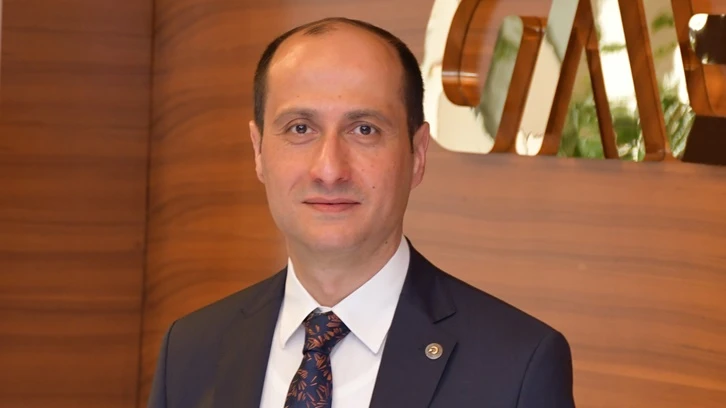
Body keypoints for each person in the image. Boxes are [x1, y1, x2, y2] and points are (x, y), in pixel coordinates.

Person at [148, 17, 575, 408]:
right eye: (300, 128)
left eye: (364, 129)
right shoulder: (191, 349)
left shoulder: (517, 366)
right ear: (259, 151)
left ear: (418, 155)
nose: (329, 169)